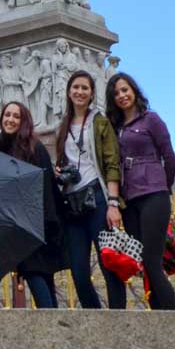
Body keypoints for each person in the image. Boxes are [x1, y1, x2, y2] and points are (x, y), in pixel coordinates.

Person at [106, 73, 175, 311]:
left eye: (125, 90)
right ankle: (157, 313)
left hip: (153, 195)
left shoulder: (151, 120)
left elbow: (169, 157)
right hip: (130, 200)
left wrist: (161, 185)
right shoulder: (114, 127)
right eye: (116, 93)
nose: (122, 96)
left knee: (152, 259)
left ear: (135, 91)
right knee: (143, 262)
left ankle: (173, 317)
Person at [55, 69, 125, 310]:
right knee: (78, 271)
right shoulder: (62, 125)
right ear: (68, 92)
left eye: (85, 88)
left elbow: (111, 163)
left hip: (97, 197)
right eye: (76, 87)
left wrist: (113, 203)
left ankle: (118, 320)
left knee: (109, 264)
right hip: (72, 202)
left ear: (92, 93)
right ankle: (95, 317)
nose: (80, 92)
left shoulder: (100, 122)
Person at [0, 101, 64, 309]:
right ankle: (55, 323)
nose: (10, 119)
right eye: (7, 115)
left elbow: (45, 189)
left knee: (34, 272)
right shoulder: (1, 148)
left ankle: (51, 322)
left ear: (24, 121)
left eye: (16, 116)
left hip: (34, 224)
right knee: (41, 275)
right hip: (17, 223)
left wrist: (40, 223)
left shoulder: (34, 147)